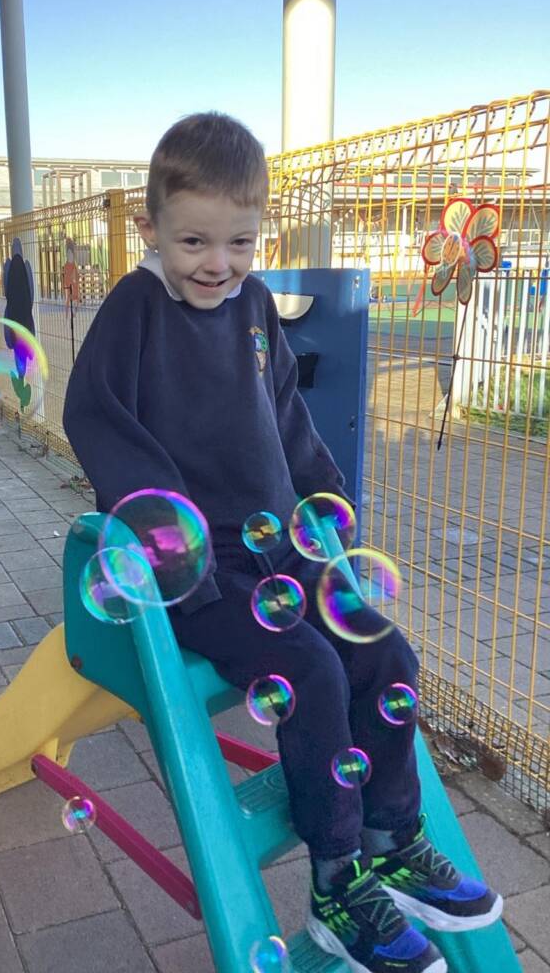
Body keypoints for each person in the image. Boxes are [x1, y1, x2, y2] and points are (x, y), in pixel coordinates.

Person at [63, 113, 502, 973]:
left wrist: (326, 495)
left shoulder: (254, 304)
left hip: (282, 552)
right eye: (193, 241)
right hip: (202, 568)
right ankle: (337, 881)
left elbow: (285, 415)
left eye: (239, 242)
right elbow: (97, 416)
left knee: (386, 655)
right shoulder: (135, 309)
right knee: (309, 669)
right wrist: (176, 548)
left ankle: (391, 838)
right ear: (152, 228)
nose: (217, 263)